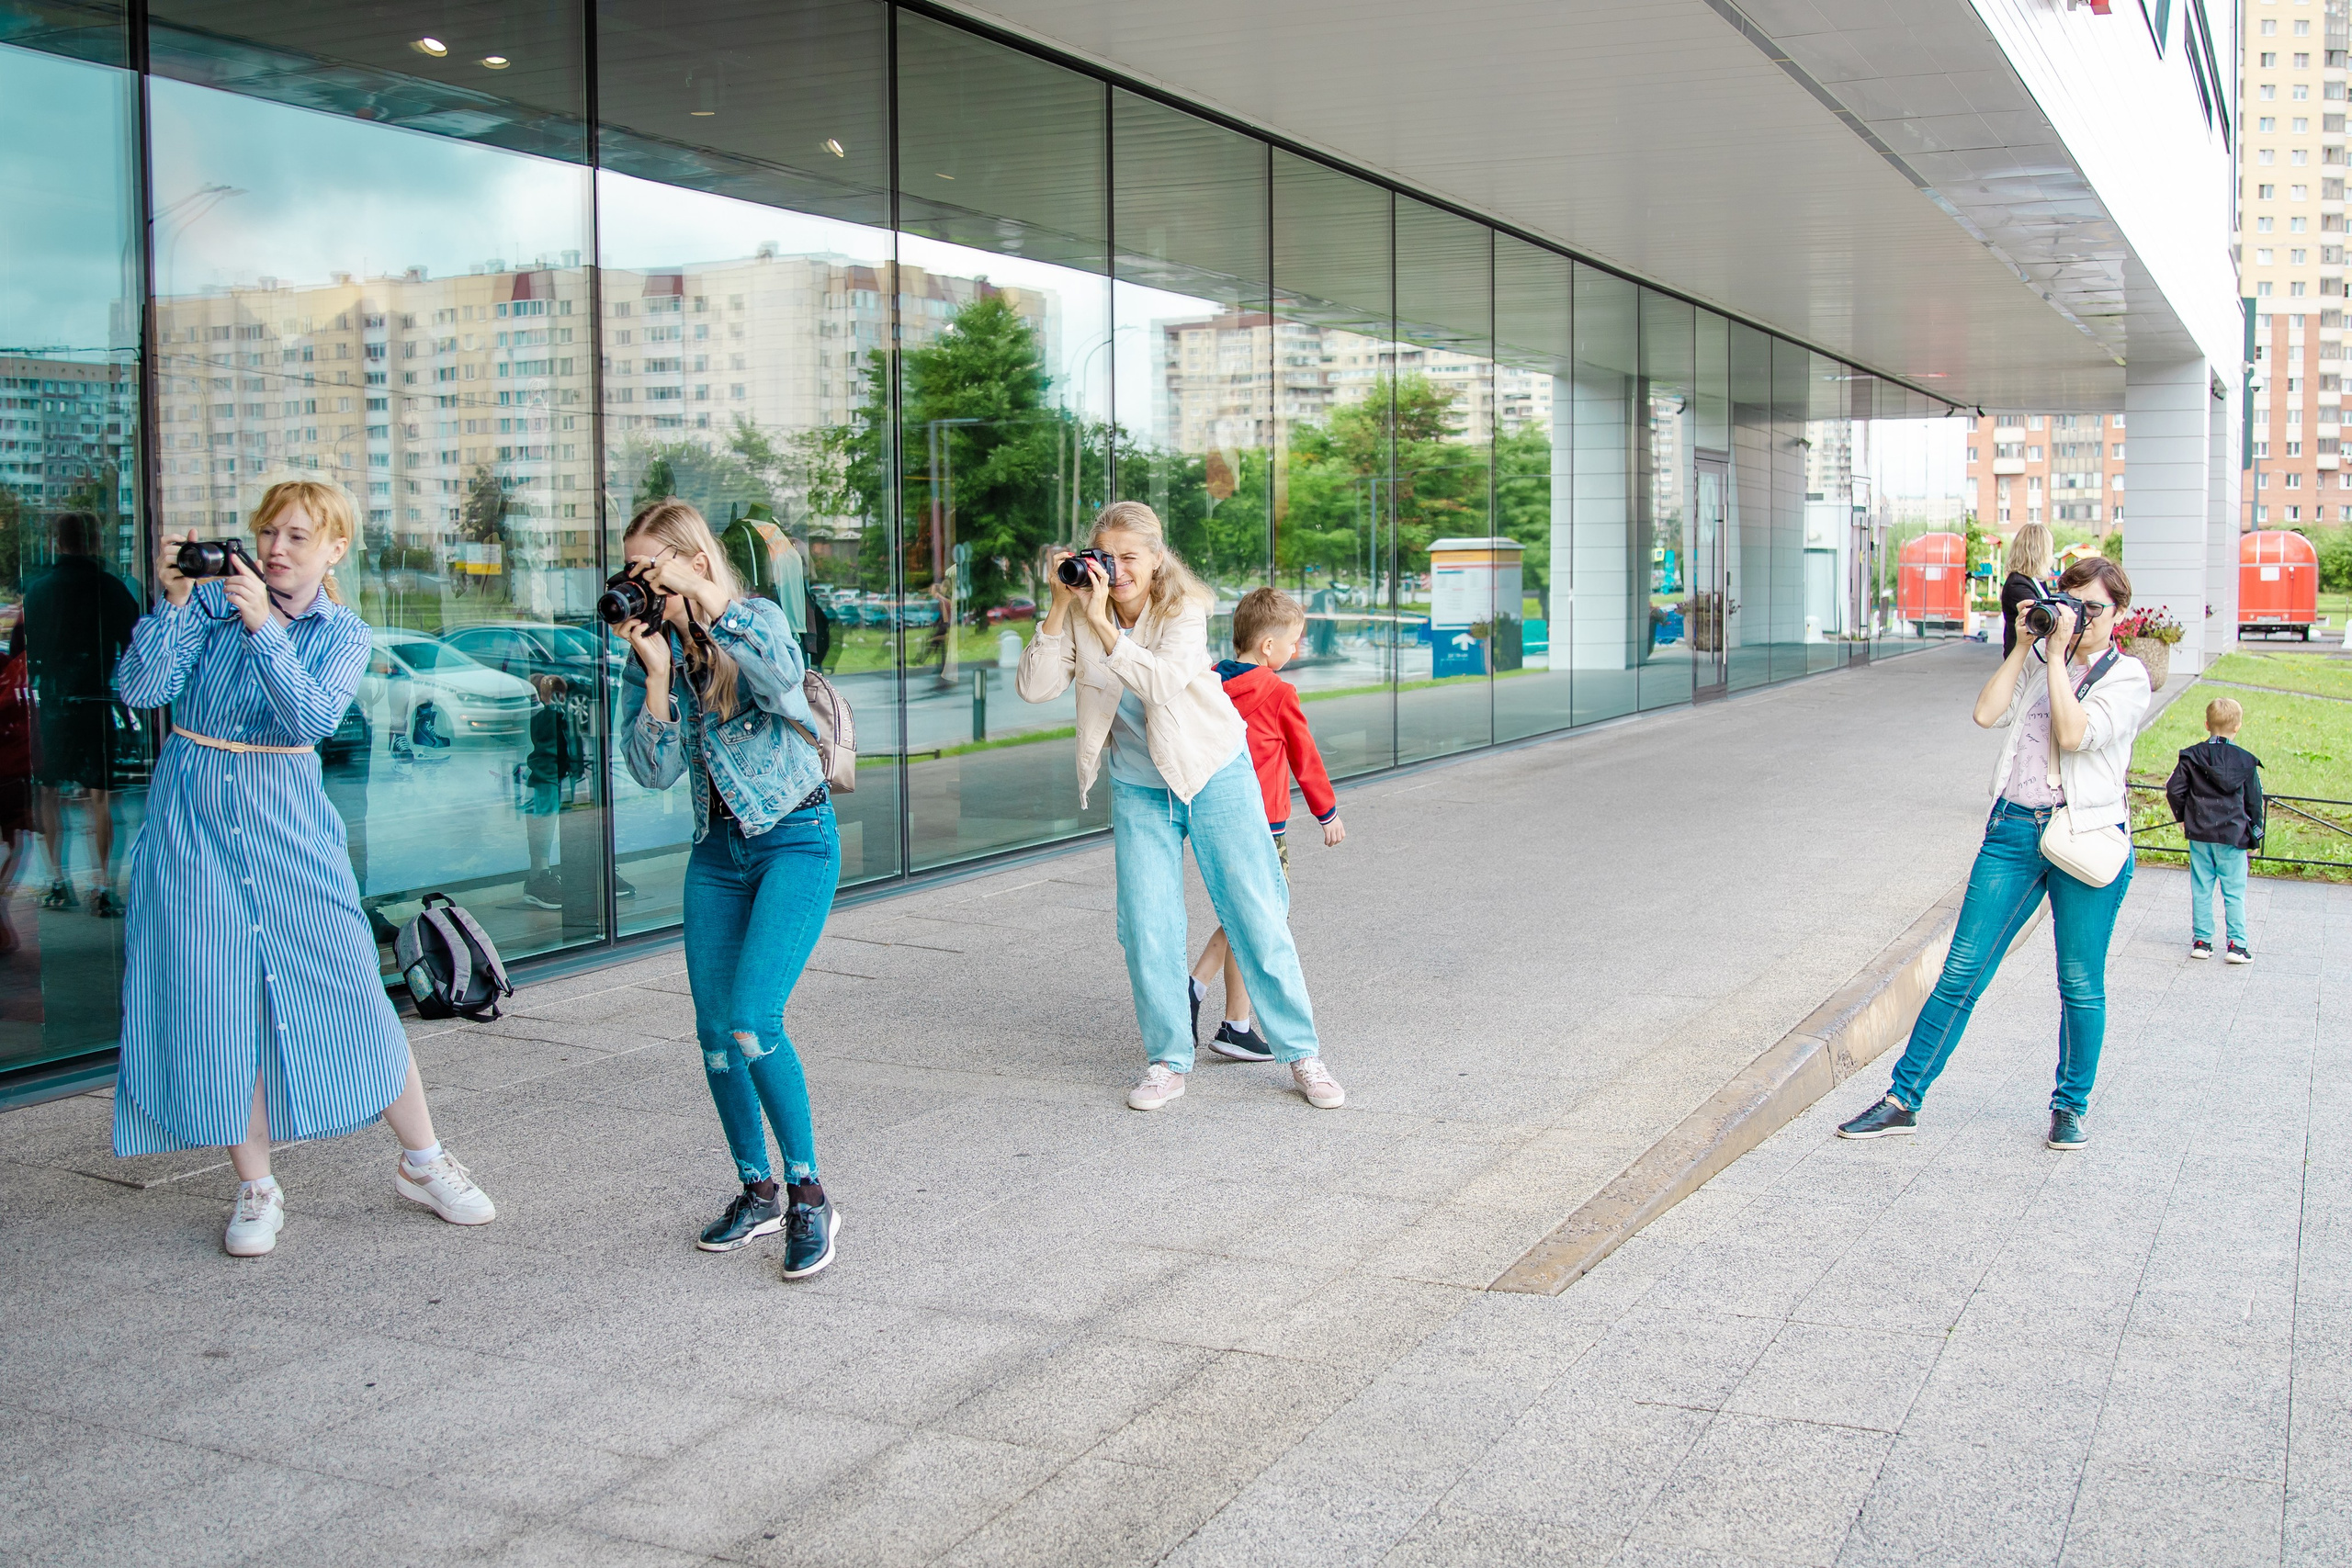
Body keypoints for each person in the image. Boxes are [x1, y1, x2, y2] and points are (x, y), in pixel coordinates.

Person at [112, 479, 494, 1257]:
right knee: (215, 1004)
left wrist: (262, 629)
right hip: (190, 827)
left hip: (287, 830)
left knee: (349, 984)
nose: (276, 551)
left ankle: (423, 1161)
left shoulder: (341, 631)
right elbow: (139, 688)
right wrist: (178, 603)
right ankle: (256, 1185)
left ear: (334, 549)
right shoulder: (209, 609)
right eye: (267, 535)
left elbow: (311, 717)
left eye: (295, 536)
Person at [1016, 501, 1345, 1112]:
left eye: (1129, 557)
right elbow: (1035, 686)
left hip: (1211, 771)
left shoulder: (1184, 608)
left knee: (1255, 910)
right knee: (1147, 927)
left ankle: (1301, 1052)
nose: (1115, 570)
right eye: (1105, 556)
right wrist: (1063, 606)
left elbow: (1161, 681)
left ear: (1156, 557)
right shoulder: (1084, 611)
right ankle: (1168, 1061)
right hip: (1141, 786)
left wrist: (1105, 625)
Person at [1839, 556, 2150, 1152]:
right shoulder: (2039, 660)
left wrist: (2060, 657)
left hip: (2081, 836)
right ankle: (1904, 1098)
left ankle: (2069, 1106)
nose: (2080, 617)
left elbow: (2073, 733)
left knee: (2079, 982)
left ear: (2120, 614)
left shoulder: (2127, 677)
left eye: (2093, 608)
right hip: (2012, 830)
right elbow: (1986, 712)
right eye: (2071, 603)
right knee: (1961, 970)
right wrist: (2025, 645)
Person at [616, 498, 842, 1280]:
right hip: (716, 852)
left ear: (693, 563)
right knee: (714, 1034)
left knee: (752, 1020)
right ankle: (758, 1190)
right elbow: (652, 769)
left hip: (794, 841)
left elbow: (782, 679)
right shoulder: (661, 650)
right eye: (633, 570)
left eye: (652, 569)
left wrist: (708, 603)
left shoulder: (756, 619)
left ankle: (810, 1192)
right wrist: (652, 677)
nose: (641, 587)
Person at [1188, 587, 1346, 1062]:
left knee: (1243, 912)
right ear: (1268, 647)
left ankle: (1236, 1025)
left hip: (1218, 817)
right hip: (1267, 827)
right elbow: (1306, 758)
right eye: (1294, 641)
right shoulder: (1279, 693)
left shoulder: (1211, 682)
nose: (1297, 649)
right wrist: (1328, 812)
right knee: (1262, 916)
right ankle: (1192, 984)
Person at [19, 512, 141, 917]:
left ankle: (56, 880)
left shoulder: (36, 592)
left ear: (58, 541)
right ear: (94, 541)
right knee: (101, 797)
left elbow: (23, 653)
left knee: (47, 792)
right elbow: (135, 646)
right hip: (97, 701)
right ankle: (103, 885)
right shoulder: (111, 588)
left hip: (52, 703)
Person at [2165, 696, 2264, 964]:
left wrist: (2183, 817)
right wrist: (2256, 834)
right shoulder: (2245, 762)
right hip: (2233, 835)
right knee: (2234, 892)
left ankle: (2202, 942)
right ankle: (2237, 945)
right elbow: (2254, 801)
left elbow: (2174, 789)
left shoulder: (2191, 755)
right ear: (2238, 727)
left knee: (2201, 887)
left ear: (2207, 724)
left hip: (2199, 833)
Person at [520, 672, 587, 911]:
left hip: (583, 664)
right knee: (549, 764)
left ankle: (591, 871)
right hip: (546, 657)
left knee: (588, 761)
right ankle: (539, 874)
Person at [1999, 523, 2053, 660]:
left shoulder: (2036, 581)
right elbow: (2042, 618)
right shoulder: (2017, 584)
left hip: (2032, 656)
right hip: (2023, 659)